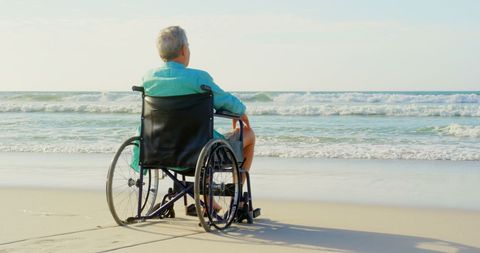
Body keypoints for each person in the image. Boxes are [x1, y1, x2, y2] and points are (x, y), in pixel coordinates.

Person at [141, 26, 255, 216]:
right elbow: (226, 101)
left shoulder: (149, 79)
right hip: (198, 151)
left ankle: (209, 202)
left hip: (159, 150)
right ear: (184, 49)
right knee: (247, 135)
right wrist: (241, 113)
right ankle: (236, 197)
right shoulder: (199, 78)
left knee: (200, 135)